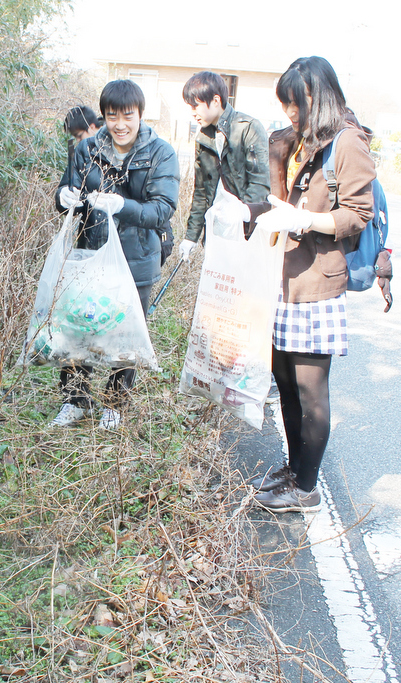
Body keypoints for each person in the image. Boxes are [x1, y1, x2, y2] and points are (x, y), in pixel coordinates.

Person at [249, 56, 376, 512]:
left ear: (316, 96)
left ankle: (306, 488)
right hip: (282, 278)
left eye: (295, 105)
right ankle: (294, 468)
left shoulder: (347, 142)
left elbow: (359, 215)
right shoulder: (301, 140)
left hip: (317, 282)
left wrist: (305, 218)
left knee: (310, 390)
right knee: (284, 382)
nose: (289, 114)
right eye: (285, 107)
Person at [54, 79, 180, 429]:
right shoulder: (87, 148)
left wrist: (122, 205)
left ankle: (114, 403)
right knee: (80, 326)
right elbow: (69, 188)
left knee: (125, 335)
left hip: (136, 257)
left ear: (140, 114)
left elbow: (162, 209)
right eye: (112, 116)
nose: (120, 124)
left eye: (128, 115)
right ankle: (75, 400)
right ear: (103, 117)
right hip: (89, 251)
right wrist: (63, 197)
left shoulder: (160, 153)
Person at [179, 71, 270, 262]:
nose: (193, 112)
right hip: (216, 232)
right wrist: (191, 237)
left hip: (244, 233)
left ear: (216, 100)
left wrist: (245, 224)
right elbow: (201, 191)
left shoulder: (248, 128)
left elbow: (259, 183)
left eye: (196, 105)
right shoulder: (203, 137)